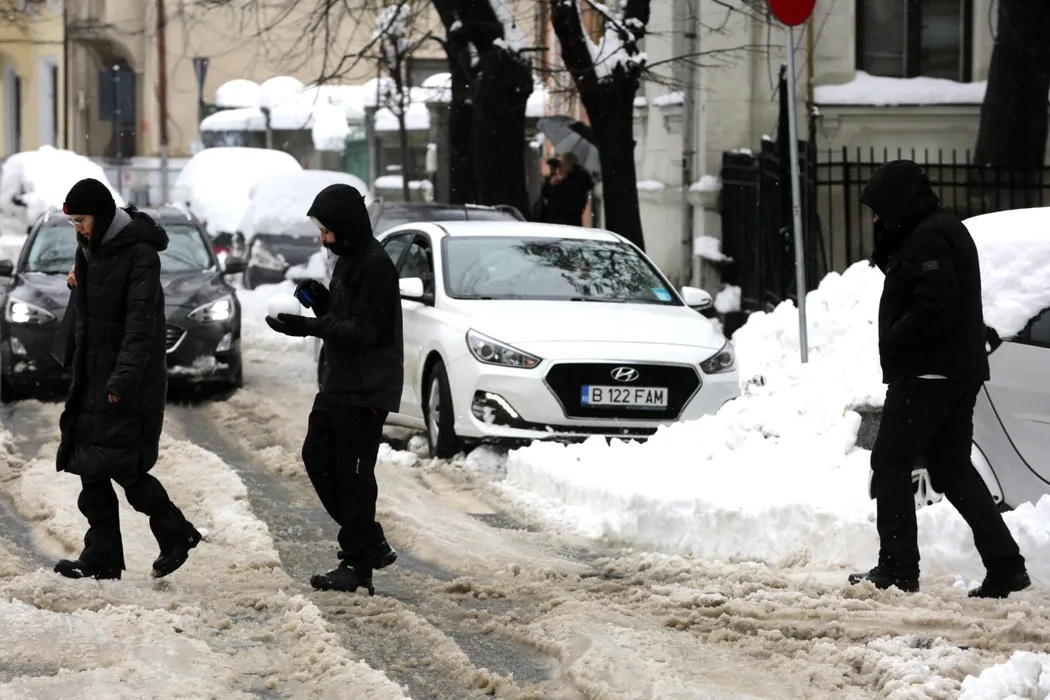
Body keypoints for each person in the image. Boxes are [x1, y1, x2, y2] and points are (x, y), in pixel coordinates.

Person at [848, 160, 1030, 599]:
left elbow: (937, 303)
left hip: (929, 373)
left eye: (879, 209)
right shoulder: (942, 230)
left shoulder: (929, 235)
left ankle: (897, 568)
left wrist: (896, 336)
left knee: (890, 464)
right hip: (953, 371)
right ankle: (1006, 566)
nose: (875, 219)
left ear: (898, 202)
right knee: (951, 468)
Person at [55, 178, 201, 581]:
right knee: (91, 466)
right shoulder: (89, 248)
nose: (77, 229)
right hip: (94, 373)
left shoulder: (140, 254)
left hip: (127, 380)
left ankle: (176, 532)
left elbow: (141, 326)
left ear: (100, 216)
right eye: (73, 222)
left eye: (81, 220)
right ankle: (101, 556)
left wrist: (121, 380)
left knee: (125, 467)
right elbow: (96, 315)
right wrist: (78, 287)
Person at [266, 184, 403, 595]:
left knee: (354, 476)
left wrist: (311, 326)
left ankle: (359, 564)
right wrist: (322, 302)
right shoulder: (347, 259)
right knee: (317, 457)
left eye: (326, 230)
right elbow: (346, 318)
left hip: (366, 391)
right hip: (339, 385)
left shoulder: (375, 265)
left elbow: (364, 332)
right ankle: (369, 541)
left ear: (345, 227)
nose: (322, 238)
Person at [543, 152, 594, 227]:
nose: (560, 167)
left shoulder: (573, 184)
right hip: (568, 223)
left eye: (562, 163)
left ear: (568, 165)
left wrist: (554, 185)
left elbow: (559, 202)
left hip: (563, 224)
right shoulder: (572, 181)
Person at [532, 156, 561, 222]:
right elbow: (544, 192)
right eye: (551, 167)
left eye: (553, 167)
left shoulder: (557, 179)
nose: (551, 169)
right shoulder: (549, 179)